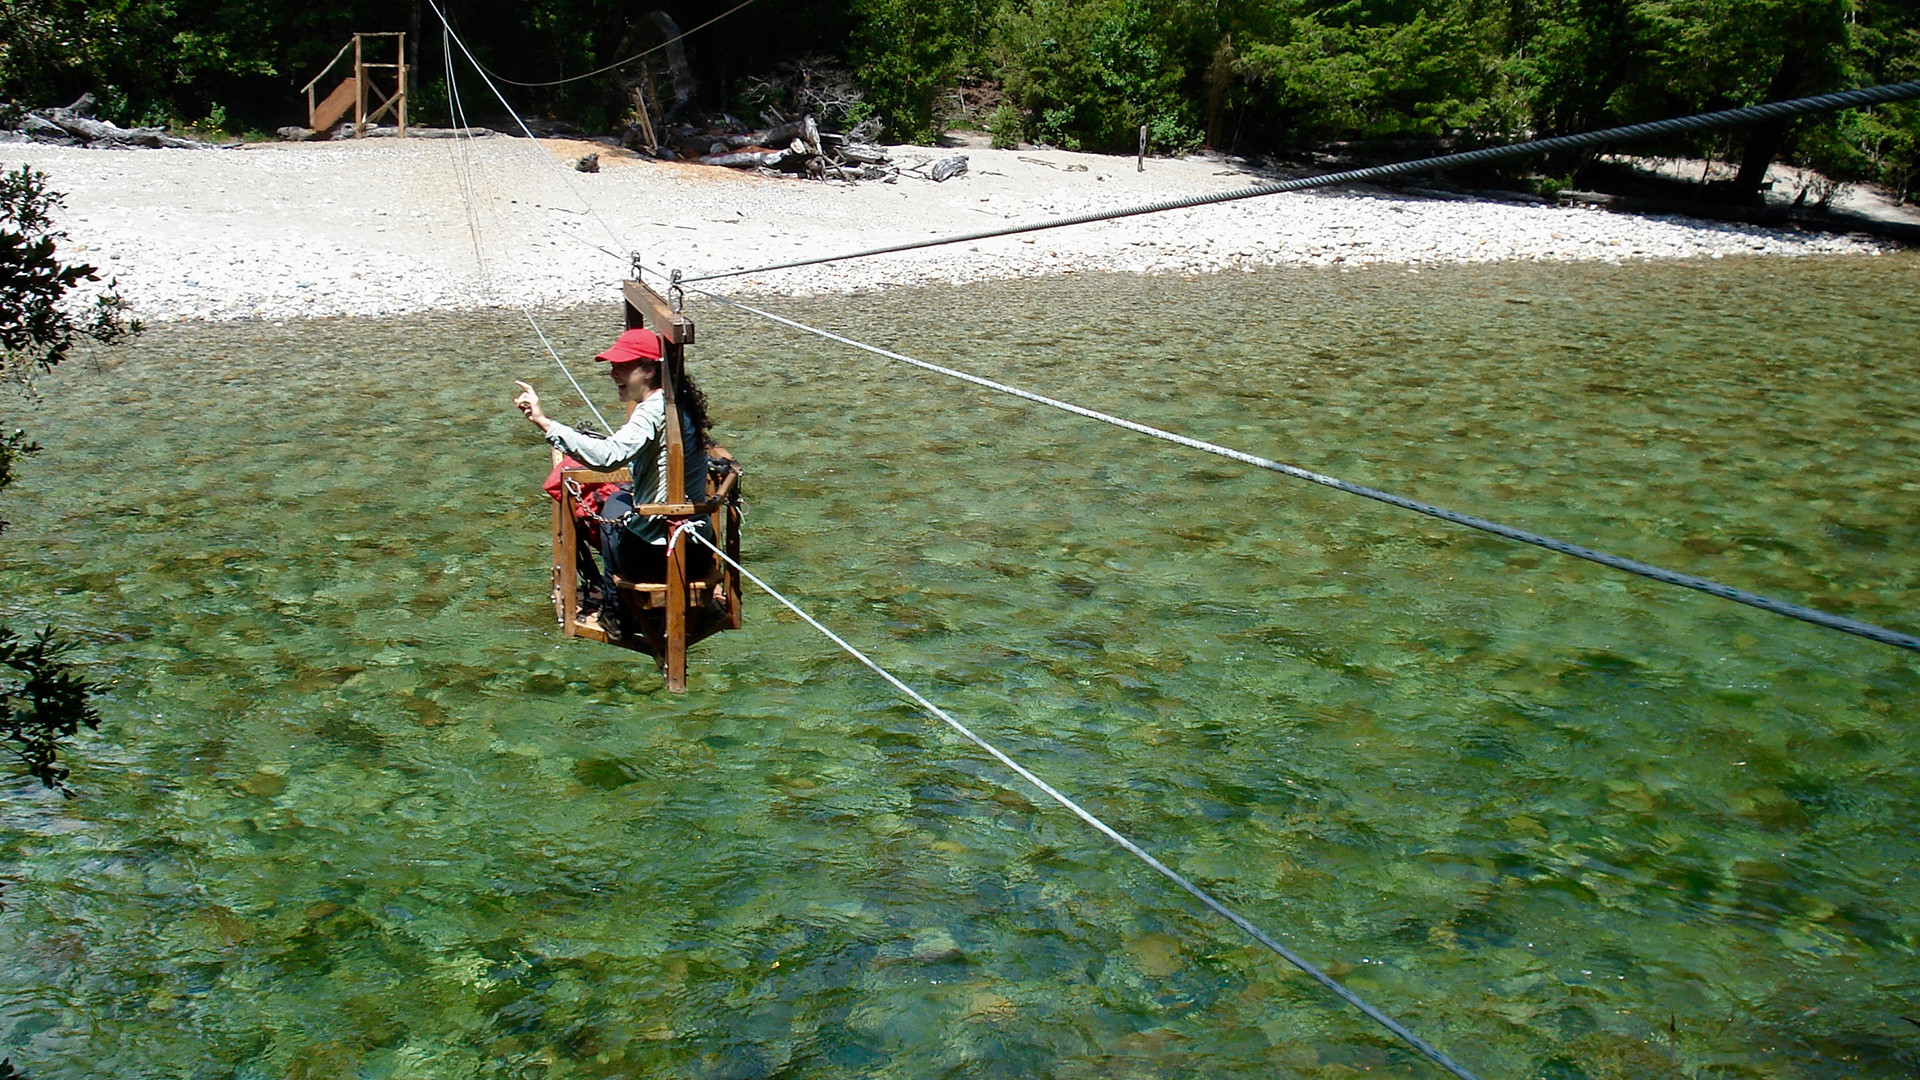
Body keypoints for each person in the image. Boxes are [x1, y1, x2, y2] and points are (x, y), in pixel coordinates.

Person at [514, 327, 713, 585]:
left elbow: (608, 457)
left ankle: (615, 602)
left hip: (658, 557)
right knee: (620, 500)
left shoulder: (653, 410)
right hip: (698, 551)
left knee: (611, 507)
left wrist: (545, 423)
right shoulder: (678, 401)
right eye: (613, 366)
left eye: (622, 366)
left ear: (649, 370)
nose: (613, 373)